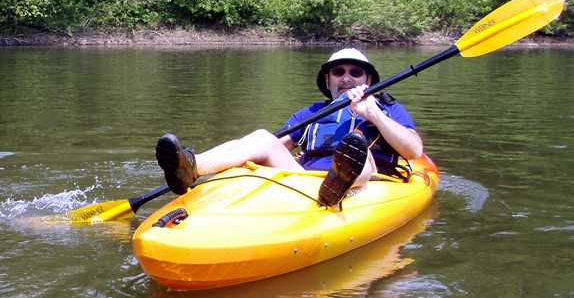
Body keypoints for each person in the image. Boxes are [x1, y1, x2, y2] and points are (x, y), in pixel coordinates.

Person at [155, 48, 424, 208]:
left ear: (367, 79)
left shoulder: (387, 109)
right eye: (339, 72)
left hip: (366, 187)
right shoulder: (311, 113)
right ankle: (191, 167)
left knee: (358, 152)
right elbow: (266, 148)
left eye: (355, 73)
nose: (347, 78)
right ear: (328, 79)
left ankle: (340, 180)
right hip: (305, 182)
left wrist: (374, 114)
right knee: (262, 137)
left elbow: (414, 150)